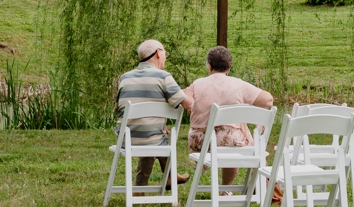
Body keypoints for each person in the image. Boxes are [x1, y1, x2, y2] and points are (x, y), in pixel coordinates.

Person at [182, 45, 274, 188]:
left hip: (200, 142)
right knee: (236, 135)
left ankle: (230, 189)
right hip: (231, 141)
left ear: (209, 65)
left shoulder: (198, 83)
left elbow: (184, 96)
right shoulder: (238, 84)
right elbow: (268, 100)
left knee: (232, 133)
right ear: (229, 67)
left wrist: (192, 105)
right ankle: (229, 188)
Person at [116, 38, 188, 187]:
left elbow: (119, 107)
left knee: (152, 133)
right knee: (155, 137)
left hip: (125, 138)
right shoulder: (163, 77)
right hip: (151, 138)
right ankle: (171, 176)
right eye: (165, 53)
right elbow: (186, 104)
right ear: (158, 53)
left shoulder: (124, 77)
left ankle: (141, 187)